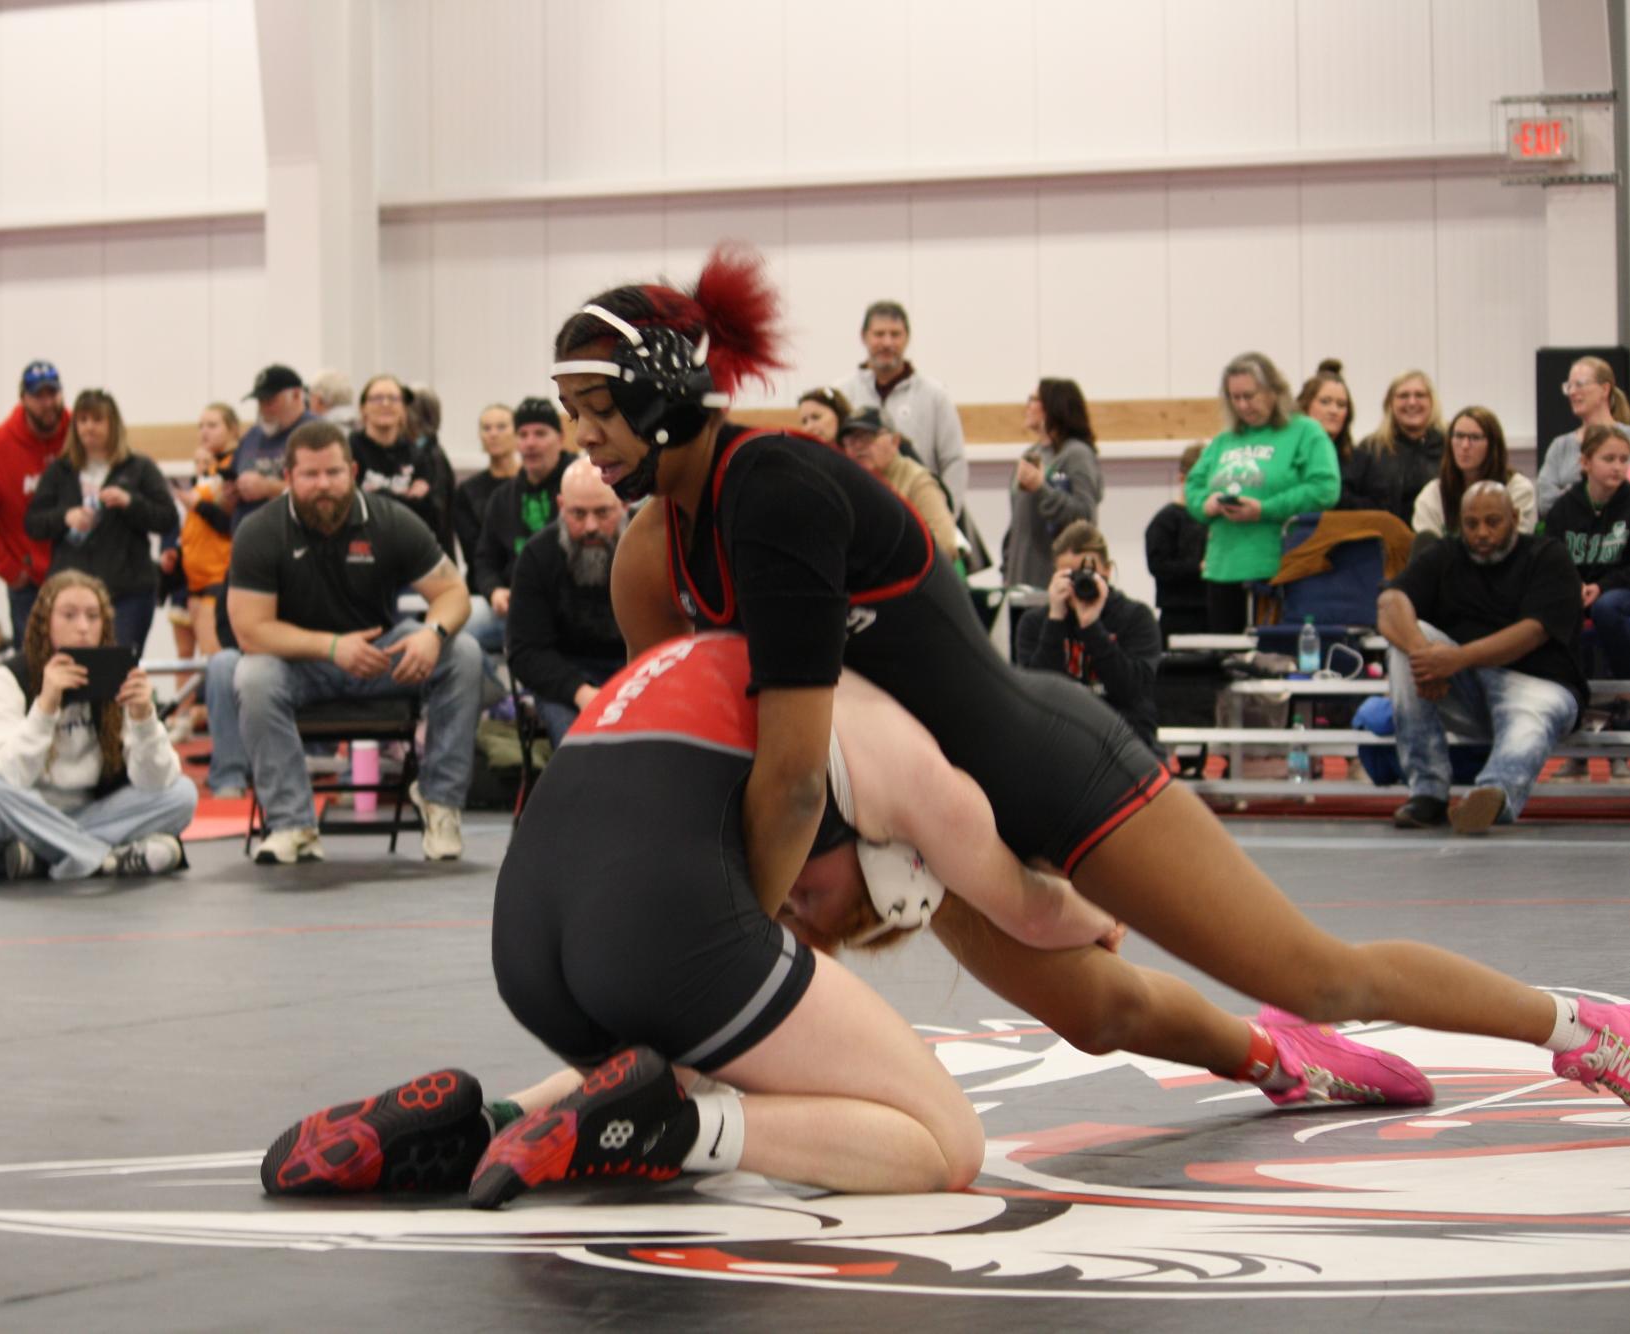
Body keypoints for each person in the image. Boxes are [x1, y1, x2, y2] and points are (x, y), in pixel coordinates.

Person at [548, 244, 1630, 1127]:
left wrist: (728, 944)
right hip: (918, 811)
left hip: (1044, 762)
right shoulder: (653, 553)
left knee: (1319, 971)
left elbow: (783, 788)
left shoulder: (773, 492)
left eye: (598, 407)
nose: (583, 442)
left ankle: (1580, 1023)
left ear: (666, 390)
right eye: (571, 412)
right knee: (1101, 1013)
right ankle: (1281, 1061)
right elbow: (700, 756)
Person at [255, 635, 1446, 1206]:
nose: (814, 924)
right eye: (840, 904)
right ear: (893, 858)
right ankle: (681, 1122)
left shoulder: (700, 652)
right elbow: (1030, 914)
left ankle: (479, 1119)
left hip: (528, 928)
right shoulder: (905, 752)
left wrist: (1262, 1049)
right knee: (944, 1145)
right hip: (654, 918)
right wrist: (1093, 909)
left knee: (673, 1058)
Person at [227, 420, 482, 864]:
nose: (322, 485)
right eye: (309, 475)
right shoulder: (259, 532)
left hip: (381, 658)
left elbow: (453, 593)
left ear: (353, 471)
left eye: (333, 473)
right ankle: (293, 825)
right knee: (252, 674)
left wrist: (431, 633)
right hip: (302, 666)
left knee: (462, 652)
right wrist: (331, 646)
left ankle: (441, 804)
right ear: (288, 478)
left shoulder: (390, 520)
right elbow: (251, 630)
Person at [0, 571, 196, 881]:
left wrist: (144, 718)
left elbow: (154, 782)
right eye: (69, 615)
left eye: (93, 616)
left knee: (182, 794)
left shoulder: (118, 675)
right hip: (20, 811)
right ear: (45, 621)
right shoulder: (9, 677)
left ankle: (45, 857)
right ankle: (105, 858)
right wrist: (46, 706)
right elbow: (11, 775)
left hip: (89, 812)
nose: (83, 627)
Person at [1380, 482, 1585, 834]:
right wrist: (1424, 658)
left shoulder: (1548, 556)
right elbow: (1389, 604)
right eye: (1471, 524)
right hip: (1464, 687)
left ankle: (1492, 797)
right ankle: (1427, 793)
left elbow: (1532, 632)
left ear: (1515, 518)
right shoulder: (1445, 554)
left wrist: (1456, 659)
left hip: (1537, 685)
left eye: (1493, 522)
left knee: (1527, 725)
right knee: (1403, 641)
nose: (1482, 533)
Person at [1185, 352, 1342, 632]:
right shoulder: (1224, 441)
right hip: (1223, 569)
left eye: (1250, 395)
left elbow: (1325, 488)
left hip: (1278, 570)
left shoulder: (1305, 432)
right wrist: (1204, 505)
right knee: (1226, 663)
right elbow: (1193, 485)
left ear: (1273, 392)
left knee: (1275, 660)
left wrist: (1264, 509)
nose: (1243, 405)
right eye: (1235, 398)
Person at [25, 388, 176, 658]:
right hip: (71, 590)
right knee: (67, 668)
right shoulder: (60, 470)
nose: (88, 428)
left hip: (127, 591)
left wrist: (131, 503)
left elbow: (167, 518)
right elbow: (33, 523)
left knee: (117, 669)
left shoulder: (138, 467)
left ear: (112, 424)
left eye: (97, 420)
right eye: (82, 421)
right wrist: (64, 517)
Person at [505, 458, 628, 745]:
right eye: (578, 514)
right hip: (566, 675)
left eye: (602, 512)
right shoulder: (537, 556)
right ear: (561, 506)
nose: (590, 527)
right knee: (579, 751)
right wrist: (581, 693)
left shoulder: (650, 545)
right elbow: (525, 650)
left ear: (623, 504)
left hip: (637, 667)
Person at [1015, 521, 1161, 753]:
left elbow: (1131, 691)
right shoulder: (1036, 623)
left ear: (1108, 571)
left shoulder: (1136, 617)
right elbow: (1038, 695)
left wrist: (1091, 626)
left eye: (1089, 574)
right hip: (1059, 741)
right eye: (1070, 575)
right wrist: (1055, 619)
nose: (1080, 583)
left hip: (1126, 739)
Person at [0, 361, 71, 634]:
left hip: (80, 573)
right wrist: (8, 568)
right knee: (34, 668)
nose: (47, 403)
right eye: (38, 396)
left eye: (52, 394)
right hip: (29, 582)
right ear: (23, 398)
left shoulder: (79, 433)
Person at [838, 300, 967, 511]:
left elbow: (953, 461)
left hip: (920, 512)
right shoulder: (844, 394)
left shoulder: (935, 395)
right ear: (864, 337)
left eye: (895, 334)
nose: (887, 342)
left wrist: (946, 514)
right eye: (879, 334)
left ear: (907, 338)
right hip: (860, 513)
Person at [469, 398, 573, 655]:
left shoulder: (581, 486)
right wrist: (494, 591)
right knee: (453, 633)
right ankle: (498, 693)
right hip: (512, 606)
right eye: (523, 434)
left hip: (568, 610)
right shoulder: (503, 498)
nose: (530, 443)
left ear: (560, 438)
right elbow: (484, 560)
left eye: (540, 433)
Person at [1542, 423, 1630, 677]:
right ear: (1586, 462)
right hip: (1574, 591)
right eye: (1609, 458)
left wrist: (1601, 587)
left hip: (1618, 593)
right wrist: (1575, 585)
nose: (1617, 466)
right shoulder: (1563, 509)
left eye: (1623, 459)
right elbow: (1550, 559)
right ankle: (1567, 686)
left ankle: (1624, 686)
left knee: (1607, 607)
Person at [1003, 378, 1101, 590]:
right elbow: (1017, 524)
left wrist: (1041, 488)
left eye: (1033, 399)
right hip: (1020, 581)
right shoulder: (1031, 454)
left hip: (1055, 583)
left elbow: (1085, 515)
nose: (1027, 405)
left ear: (1053, 405)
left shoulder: (1076, 454)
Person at [350, 373, 456, 558]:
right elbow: (351, 506)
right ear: (363, 409)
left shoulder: (421, 455)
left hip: (409, 557)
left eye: (393, 398)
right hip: (362, 555)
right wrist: (406, 498)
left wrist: (375, 495)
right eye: (377, 398)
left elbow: (432, 514)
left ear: (404, 410)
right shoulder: (349, 450)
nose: (385, 404)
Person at [836, 407, 957, 563]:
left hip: (912, 580)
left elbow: (945, 545)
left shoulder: (917, 481)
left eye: (867, 437)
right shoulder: (850, 484)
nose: (858, 447)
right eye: (850, 441)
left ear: (895, 441)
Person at [174, 402, 242, 662]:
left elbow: (230, 520)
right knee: (202, 657)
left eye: (212, 425)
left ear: (233, 429)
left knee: (215, 658)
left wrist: (198, 505)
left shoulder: (234, 467)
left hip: (219, 573)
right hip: (196, 577)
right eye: (201, 426)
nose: (204, 432)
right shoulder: (209, 470)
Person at [1411, 407, 1537, 537]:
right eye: (1459, 436)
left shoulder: (1518, 489)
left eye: (1475, 438)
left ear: (1493, 444)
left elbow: (1515, 545)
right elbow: (1427, 552)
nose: (1465, 445)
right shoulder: (1433, 493)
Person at [1339, 370, 1444, 522]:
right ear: (1390, 403)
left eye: (1420, 395)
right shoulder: (1369, 448)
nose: (1412, 402)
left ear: (1432, 402)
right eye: (1403, 396)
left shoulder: (1450, 446)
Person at [1537, 355, 1630, 519]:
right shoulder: (1561, 446)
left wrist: (1569, 492)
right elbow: (1545, 502)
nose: (1572, 392)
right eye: (1569, 386)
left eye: (1579, 384)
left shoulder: (1627, 436)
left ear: (1605, 389)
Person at [233, 364, 316, 528]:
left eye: (270, 401)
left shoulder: (317, 433)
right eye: (260, 402)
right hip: (249, 537)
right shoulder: (252, 435)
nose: (263, 409)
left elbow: (323, 488)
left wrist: (269, 488)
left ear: (296, 395)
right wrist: (230, 493)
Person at [1144, 442, 1208, 639]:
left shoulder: (1219, 521)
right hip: (1178, 615)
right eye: (1200, 481)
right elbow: (1158, 566)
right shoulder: (1166, 520)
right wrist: (1198, 567)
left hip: (1214, 611)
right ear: (1182, 478)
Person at [452, 403, 518, 571]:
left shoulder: (531, 484)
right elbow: (473, 550)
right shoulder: (468, 491)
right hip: (482, 586)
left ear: (517, 432)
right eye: (486, 428)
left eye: (501, 427)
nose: (493, 434)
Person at [1296, 358, 1356, 475]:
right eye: (1325, 402)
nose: (1334, 411)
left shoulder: (1361, 461)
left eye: (1341, 404)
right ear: (1305, 405)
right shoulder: (1288, 456)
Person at [308, 368, 359, 433]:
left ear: (319, 399)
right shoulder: (360, 424)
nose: (309, 402)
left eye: (311, 396)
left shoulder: (324, 431)